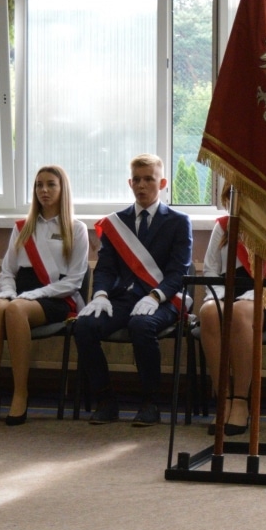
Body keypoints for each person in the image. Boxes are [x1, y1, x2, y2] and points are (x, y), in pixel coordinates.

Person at [73, 153, 192, 426]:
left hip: (163, 298)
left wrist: (155, 295)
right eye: (136, 180)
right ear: (129, 182)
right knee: (84, 326)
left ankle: (150, 403)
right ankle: (106, 400)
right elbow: (104, 268)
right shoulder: (117, 222)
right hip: (124, 298)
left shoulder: (178, 221)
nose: (141, 185)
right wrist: (100, 294)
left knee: (142, 326)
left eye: (148, 179)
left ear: (161, 183)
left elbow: (178, 273)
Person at [0, 165, 88, 426]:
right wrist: (8, 293)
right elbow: (7, 271)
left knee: (15, 310)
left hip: (57, 297)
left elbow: (73, 282)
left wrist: (31, 296)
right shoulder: (22, 227)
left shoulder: (77, 228)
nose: (44, 190)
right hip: (19, 292)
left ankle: (20, 393)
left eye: (51, 184)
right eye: (39, 185)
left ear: (63, 189)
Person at [198, 193, 266, 436]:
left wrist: (259, 295)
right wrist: (219, 296)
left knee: (239, 313)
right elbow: (211, 270)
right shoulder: (225, 226)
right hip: (228, 293)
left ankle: (240, 400)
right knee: (208, 313)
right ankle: (222, 397)